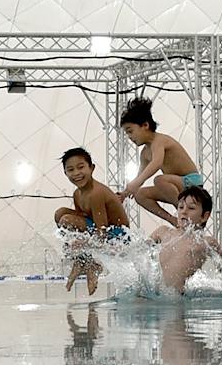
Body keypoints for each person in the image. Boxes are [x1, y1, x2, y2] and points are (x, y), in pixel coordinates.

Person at [53, 146, 130, 293]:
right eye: (70, 170)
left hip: (118, 235)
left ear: (92, 168)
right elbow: (80, 224)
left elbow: (102, 230)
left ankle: (91, 263)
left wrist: (84, 244)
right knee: (60, 214)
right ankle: (83, 260)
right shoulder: (77, 194)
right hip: (100, 230)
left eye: (80, 167)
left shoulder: (96, 194)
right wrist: (73, 243)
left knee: (66, 219)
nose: (76, 173)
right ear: (65, 173)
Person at [117, 99, 204, 224]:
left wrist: (137, 182)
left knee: (159, 180)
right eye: (127, 133)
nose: (130, 137)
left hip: (192, 183)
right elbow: (140, 176)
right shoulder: (145, 153)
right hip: (176, 187)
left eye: (130, 131)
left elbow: (156, 163)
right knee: (140, 195)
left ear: (145, 125)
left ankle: (182, 213)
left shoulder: (159, 140)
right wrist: (124, 194)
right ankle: (174, 220)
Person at [151, 184, 222, 294]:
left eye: (191, 208)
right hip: (153, 294)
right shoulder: (163, 232)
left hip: (177, 301)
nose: (184, 212)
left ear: (204, 216)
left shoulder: (206, 242)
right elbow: (139, 250)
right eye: (181, 207)